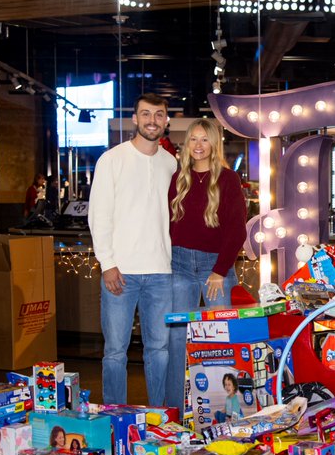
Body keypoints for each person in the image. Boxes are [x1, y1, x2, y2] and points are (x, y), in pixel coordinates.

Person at [87, 93, 177, 406]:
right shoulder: (112, 160)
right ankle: (115, 414)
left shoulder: (171, 164)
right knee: (114, 351)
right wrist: (107, 263)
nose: (152, 120)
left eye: (159, 114)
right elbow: (98, 215)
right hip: (120, 272)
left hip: (161, 273)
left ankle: (160, 417)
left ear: (166, 120)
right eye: (146, 114)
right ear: (135, 119)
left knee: (159, 350)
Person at [166, 118, 247, 416]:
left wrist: (220, 270)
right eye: (193, 139)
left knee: (221, 336)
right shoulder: (179, 178)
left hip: (216, 267)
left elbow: (237, 230)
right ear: (187, 144)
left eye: (204, 139)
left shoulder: (227, 179)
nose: (198, 145)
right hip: (180, 265)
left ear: (214, 144)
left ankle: (226, 411)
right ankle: (174, 411)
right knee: (177, 339)